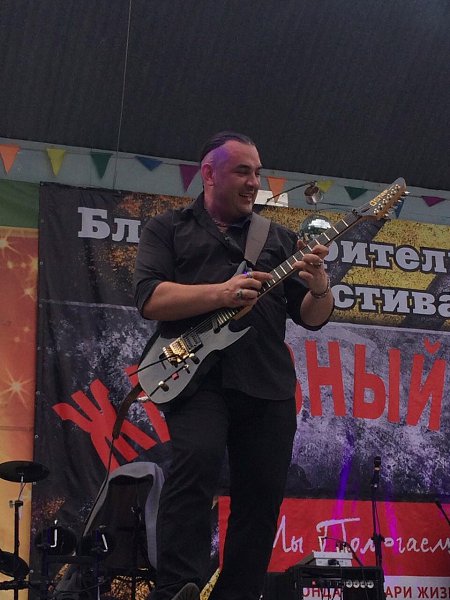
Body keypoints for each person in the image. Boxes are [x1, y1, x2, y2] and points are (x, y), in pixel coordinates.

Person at [133, 132, 334, 600]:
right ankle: (177, 589)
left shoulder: (278, 238)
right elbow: (149, 298)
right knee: (194, 468)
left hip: (267, 386)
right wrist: (221, 293)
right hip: (196, 382)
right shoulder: (167, 229)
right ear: (209, 174)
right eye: (243, 171)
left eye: (257, 172)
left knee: (261, 500)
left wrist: (320, 287)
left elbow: (311, 317)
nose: (253, 182)